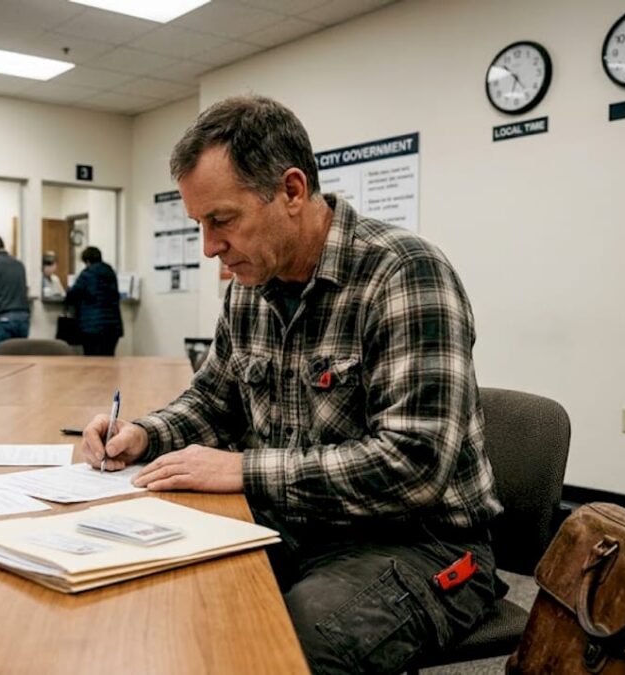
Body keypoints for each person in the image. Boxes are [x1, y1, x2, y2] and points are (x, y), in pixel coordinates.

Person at [80, 96, 503, 674]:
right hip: (296, 521)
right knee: (161, 592)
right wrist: (144, 434)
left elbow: (415, 465)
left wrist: (242, 470)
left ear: (293, 191)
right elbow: (214, 399)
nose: (209, 248)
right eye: (199, 225)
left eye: (221, 220)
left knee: (278, 653)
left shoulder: (403, 273)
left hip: (421, 542)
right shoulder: (249, 287)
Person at [64, 246, 123, 356]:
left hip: (93, 327)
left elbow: (72, 295)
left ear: (87, 261)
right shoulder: (110, 272)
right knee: (108, 360)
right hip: (113, 327)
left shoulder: (87, 274)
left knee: (92, 362)